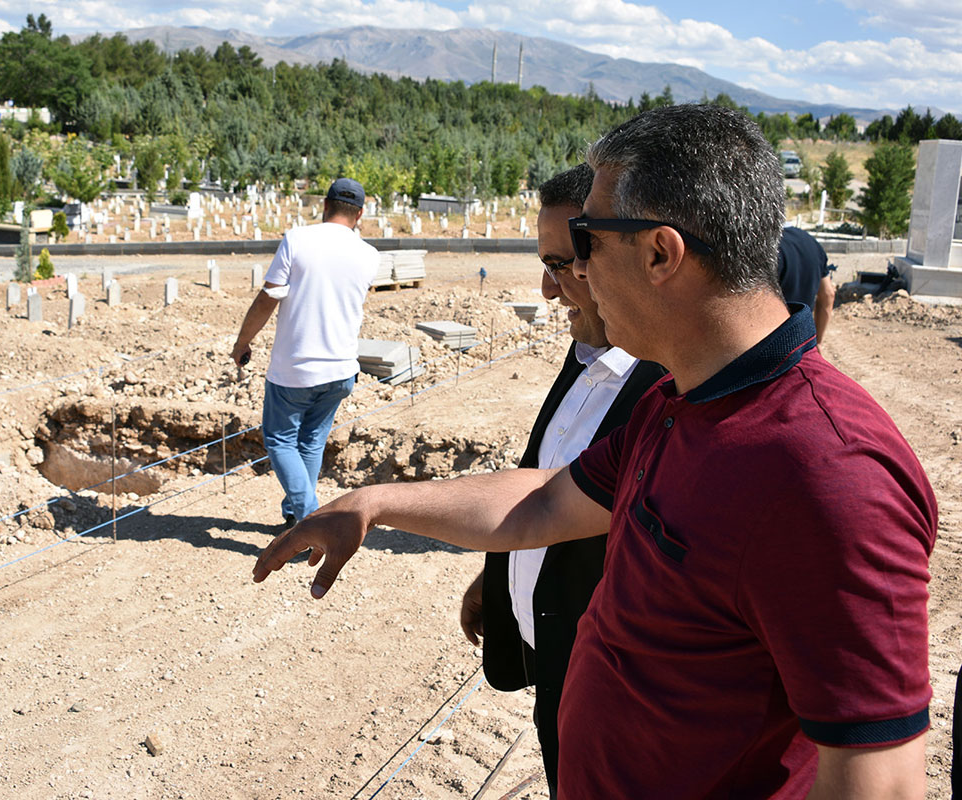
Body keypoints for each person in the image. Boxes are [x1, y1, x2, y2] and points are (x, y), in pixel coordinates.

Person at [254, 104, 937, 798]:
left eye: (586, 243)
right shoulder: (679, 401)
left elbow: (879, 782)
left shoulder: (828, 475)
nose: (568, 277)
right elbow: (547, 502)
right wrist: (373, 504)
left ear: (660, 253)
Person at [458, 163, 665, 797]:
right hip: (555, 660)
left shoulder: (666, 390)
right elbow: (553, 484)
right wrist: (501, 576)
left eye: (560, 264)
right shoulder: (589, 359)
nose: (549, 291)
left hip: (614, 695)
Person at [232, 178, 379, 527]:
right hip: (342, 370)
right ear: (359, 214)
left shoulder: (298, 239)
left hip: (295, 370)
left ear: (325, 205)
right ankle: (294, 515)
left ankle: (312, 522)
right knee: (311, 443)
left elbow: (269, 297)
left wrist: (242, 343)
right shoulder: (369, 255)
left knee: (280, 440)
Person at [778, 225, 836, 344]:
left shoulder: (768, 247)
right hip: (802, 338)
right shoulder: (810, 241)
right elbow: (828, 294)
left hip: (773, 342)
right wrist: (817, 341)